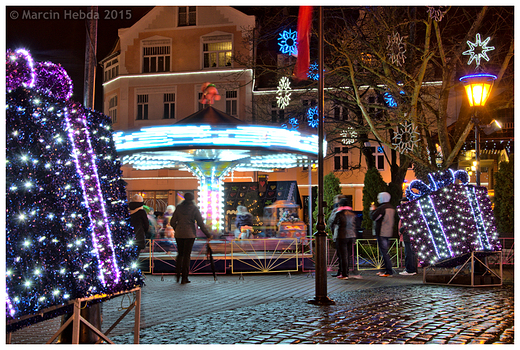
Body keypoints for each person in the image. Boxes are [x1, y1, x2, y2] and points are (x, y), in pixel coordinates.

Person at [169, 193, 212, 284]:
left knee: (180, 254)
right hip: (190, 234)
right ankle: (184, 278)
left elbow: (172, 221)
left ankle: (177, 275)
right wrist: (208, 234)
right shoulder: (194, 209)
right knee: (186, 256)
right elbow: (200, 223)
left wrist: (177, 227)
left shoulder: (179, 207)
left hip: (179, 234)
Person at [328, 198, 362, 280]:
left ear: (340, 205)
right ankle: (343, 272)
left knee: (342, 255)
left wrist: (332, 230)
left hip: (341, 236)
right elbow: (356, 224)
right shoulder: (353, 214)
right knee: (347, 255)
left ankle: (344, 274)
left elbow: (331, 222)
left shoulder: (339, 213)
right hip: (351, 236)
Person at [370, 192, 396, 277]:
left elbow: (374, 217)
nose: (378, 199)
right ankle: (385, 270)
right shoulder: (391, 208)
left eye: (379, 198)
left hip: (382, 232)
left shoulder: (382, 208)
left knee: (384, 252)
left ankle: (388, 271)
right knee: (384, 251)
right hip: (388, 231)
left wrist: (372, 210)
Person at [398, 199, 417, 275]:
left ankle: (410, 270)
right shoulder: (411, 210)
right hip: (410, 234)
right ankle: (411, 269)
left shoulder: (408, 211)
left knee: (408, 252)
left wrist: (401, 230)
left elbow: (406, 222)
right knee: (410, 252)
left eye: (403, 203)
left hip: (408, 235)